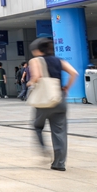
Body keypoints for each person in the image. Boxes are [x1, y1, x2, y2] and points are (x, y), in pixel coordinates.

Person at [28, 37, 78, 171]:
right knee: (60, 132)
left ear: (37, 50)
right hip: (59, 98)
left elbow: (36, 77)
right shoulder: (59, 60)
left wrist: (30, 83)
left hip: (44, 100)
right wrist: (66, 88)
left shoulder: (35, 61)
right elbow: (74, 73)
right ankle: (59, 163)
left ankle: (44, 150)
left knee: (37, 126)